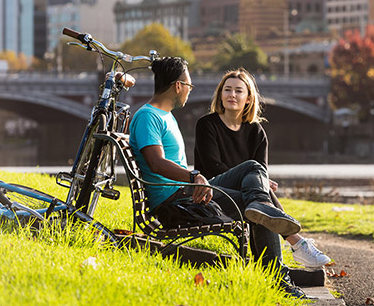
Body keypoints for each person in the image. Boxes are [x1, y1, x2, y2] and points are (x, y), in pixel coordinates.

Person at [128, 57, 306, 298]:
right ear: (178, 86)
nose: (190, 92)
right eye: (189, 86)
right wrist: (194, 176)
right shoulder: (149, 117)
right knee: (258, 209)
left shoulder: (164, 116)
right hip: (175, 203)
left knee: (253, 173)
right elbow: (156, 162)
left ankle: (266, 218)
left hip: (185, 194)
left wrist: (194, 180)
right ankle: (278, 277)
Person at [194, 68, 331, 268]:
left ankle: (274, 268)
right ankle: (297, 243)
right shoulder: (207, 124)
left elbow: (262, 173)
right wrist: (255, 179)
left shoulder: (256, 131)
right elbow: (212, 167)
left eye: (239, 91)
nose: (232, 94)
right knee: (255, 177)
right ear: (220, 95)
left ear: (248, 98)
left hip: (245, 195)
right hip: (213, 190)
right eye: (227, 90)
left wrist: (257, 181)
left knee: (259, 202)